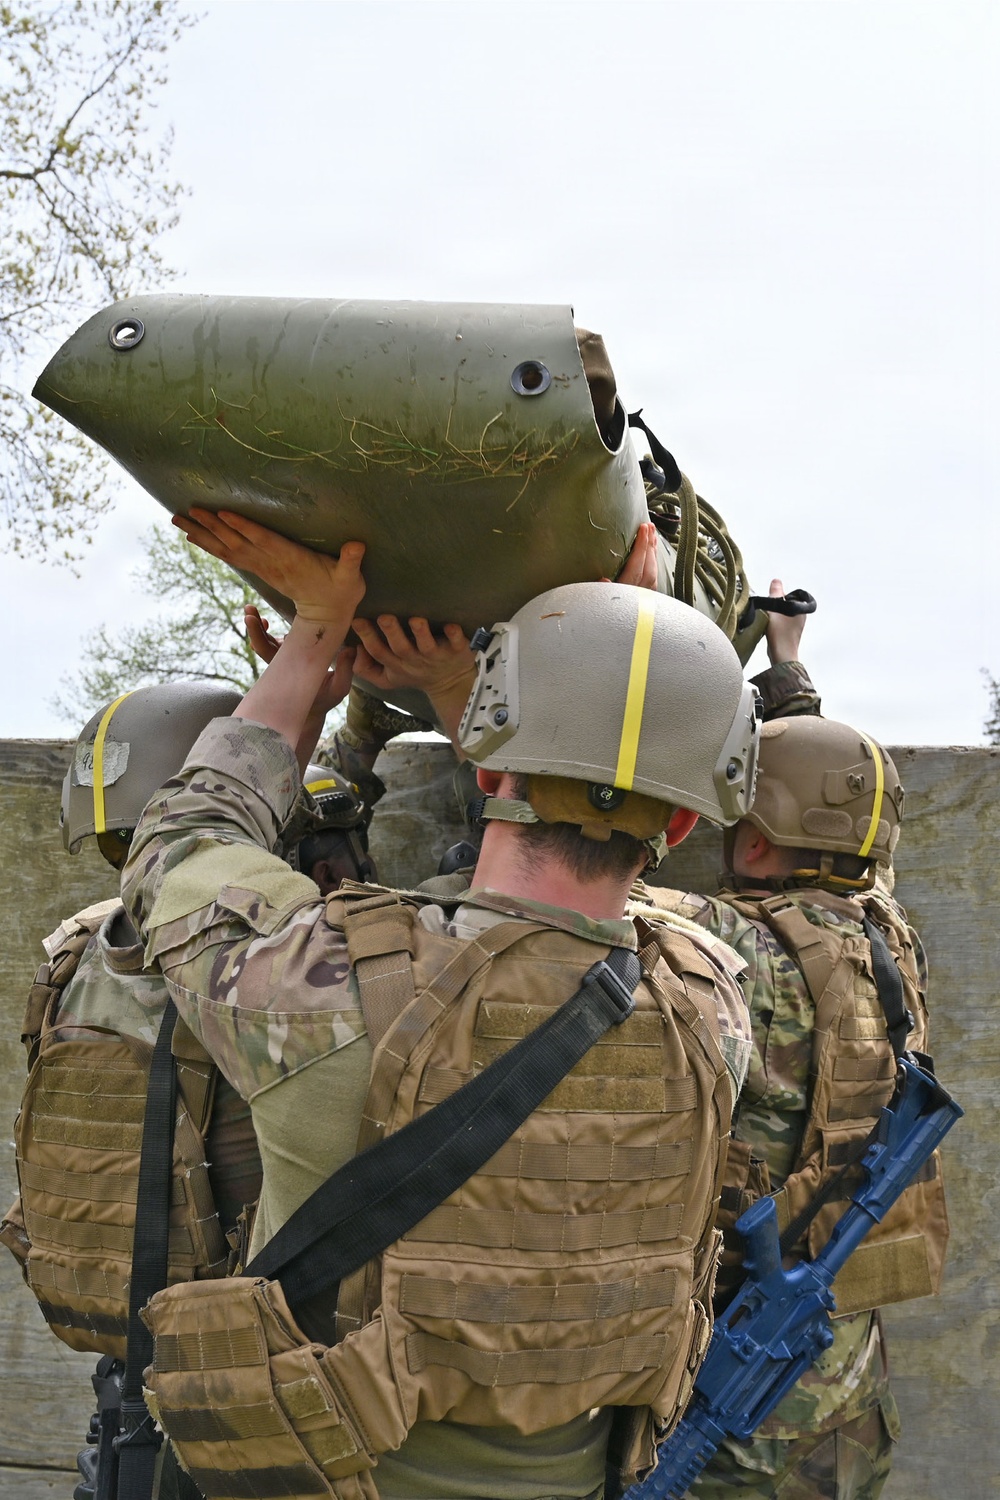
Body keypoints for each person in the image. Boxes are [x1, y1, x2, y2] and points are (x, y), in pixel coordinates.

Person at [121, 507, 759, 1500]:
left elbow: (183, 840)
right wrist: (620, 646)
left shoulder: (319, 989)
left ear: (488, 759)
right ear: (681, 818)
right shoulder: (711, 1005)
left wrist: (317, 637)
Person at [638, 594, 944, 1500]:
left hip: (738, 1418)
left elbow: (568, 885)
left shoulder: (729, 949)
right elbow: (835, 809)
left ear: (758, 837)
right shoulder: (894, 936)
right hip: (846, 1397)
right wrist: (786, 677)